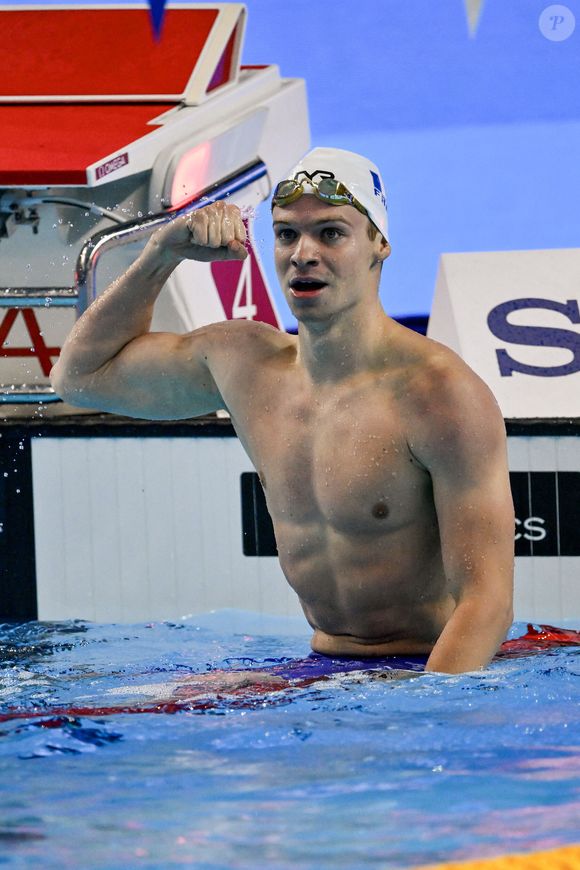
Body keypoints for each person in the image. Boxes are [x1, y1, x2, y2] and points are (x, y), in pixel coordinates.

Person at [51, 147, 515, 675]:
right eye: (287, 234)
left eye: (331, 233)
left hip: (425, 668)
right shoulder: (246, 365)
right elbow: (80, 379)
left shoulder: (439, 395)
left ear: (379, 244)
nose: (303, 254)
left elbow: (488, 603)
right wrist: (161, 254)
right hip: (318, 666)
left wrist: (419, 719)